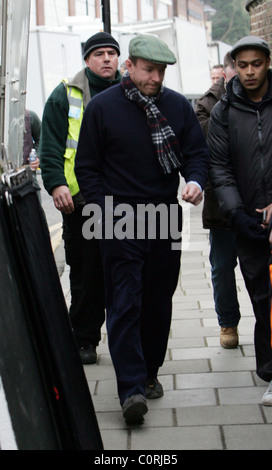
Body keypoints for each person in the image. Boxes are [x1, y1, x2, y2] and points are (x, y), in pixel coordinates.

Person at [75, 34, 209, 424]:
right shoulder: (102, 108)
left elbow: (196, 153)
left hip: (165, 215)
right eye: (149, 70)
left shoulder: (176, 107)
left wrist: (196, 181)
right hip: (118, 217)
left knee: (157, 300)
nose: (155, 78)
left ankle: (149, 373)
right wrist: (104, 214)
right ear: (129, 66)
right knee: (124, 301)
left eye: (161, 71)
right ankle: (130, 388)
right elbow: (87, 168)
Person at [39, 32, 122, 364]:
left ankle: (126, 340)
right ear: (87, 60)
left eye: (111, 53)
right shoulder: (65, 95)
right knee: (87, 275)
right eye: (99, 53)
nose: (106, 59)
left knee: (125, 273)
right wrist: (57, 184)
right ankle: (84, 339)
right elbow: (51, 146)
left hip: (124, 201)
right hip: (83, 201)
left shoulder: (132, 90)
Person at [208, 36, 272, 406]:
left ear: (267, 63)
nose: (250, 71)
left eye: (257, 64)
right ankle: (270, 372)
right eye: (243, 64)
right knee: (263, 301)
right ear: (235, 65)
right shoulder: (225, 109)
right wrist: (234, 212)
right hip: (248, 222)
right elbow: (220, 165)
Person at [195, 52, 240, 349]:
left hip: (258, 201)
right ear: (225, 73)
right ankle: (228, 323)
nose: (244, 74)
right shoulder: (207, 104)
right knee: (222, 267)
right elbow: (205, 141)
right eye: (237, 68)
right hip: (222, 203)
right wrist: (229, 105)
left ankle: (265, 325)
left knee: (262, 270)